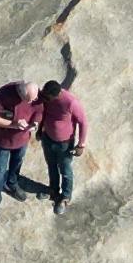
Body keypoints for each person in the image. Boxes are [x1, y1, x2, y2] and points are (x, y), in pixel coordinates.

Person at [0, 79, 39, 220]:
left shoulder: (35, 96)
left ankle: (12, 184)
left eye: (34, 98)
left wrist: (35, 123)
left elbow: (39, 109)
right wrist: (13, 125)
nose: (34, 101)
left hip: (22, 140)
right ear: (21, 94)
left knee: (16, 164)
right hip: (2, 141)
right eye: (29, 100)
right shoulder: (5, 93)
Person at [34, 78, 88, 211]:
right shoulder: (47, 97)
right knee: (51, 165)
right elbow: (44, 113)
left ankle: (65, 197)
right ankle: (53, 190)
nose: (44, 98)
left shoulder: (70, 102)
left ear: (55, 95)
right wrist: (40, 130)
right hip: (48, 138)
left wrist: (81, 145)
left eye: (47, 97)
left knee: (65, 170)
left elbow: (83, 122)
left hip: (64, 144)